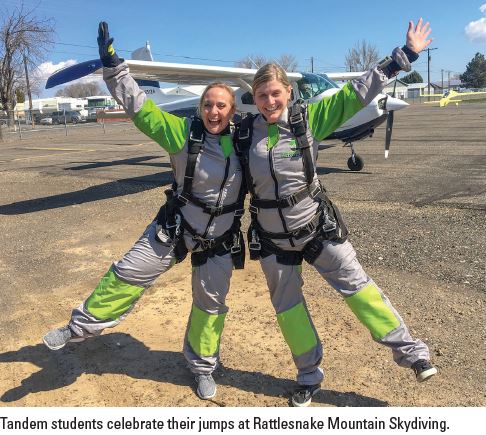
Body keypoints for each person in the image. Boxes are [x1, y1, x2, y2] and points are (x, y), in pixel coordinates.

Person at [234, 18, 436, 407]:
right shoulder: (244, 133)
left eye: (275, 93)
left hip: (315, 227)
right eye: (262, 96)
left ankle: (412, 353)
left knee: (359, 290)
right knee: (288, 310)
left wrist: (404, 56)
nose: (269, 102)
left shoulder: (309, 118)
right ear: (254, 99)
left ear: (288, 93)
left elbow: (356, 92)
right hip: (273, 238)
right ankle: (308, 374)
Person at [43, 22, 246, 401]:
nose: (213, 110)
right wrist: (114, 66)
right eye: (208, 104)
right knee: (127, 273)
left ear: (232, 111)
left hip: (219, 238)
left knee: (211, 305)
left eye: (221, 105)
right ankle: (78, 327)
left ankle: (202, 366)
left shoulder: (246, 142)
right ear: (200, 107)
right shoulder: (181, 133)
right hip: (177, 225)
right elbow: (141, 107)